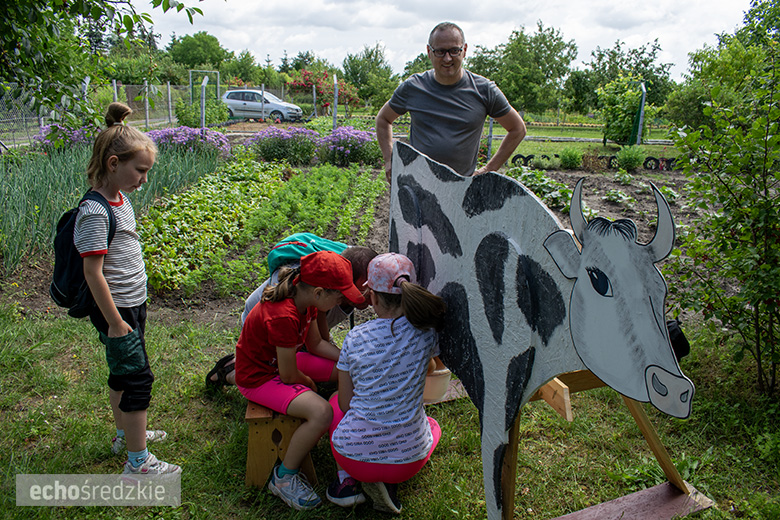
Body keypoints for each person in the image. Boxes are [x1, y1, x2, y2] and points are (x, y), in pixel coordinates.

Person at [74, 102, 180, 475]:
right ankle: (138, 463)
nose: (144, 180)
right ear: (113, 164)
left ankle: (125, 434)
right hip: (116, 310)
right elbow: (92, 273)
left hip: (131, 304)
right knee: (138, 379)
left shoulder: (120, 200)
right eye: (140, 170)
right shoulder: (95, 212)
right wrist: (116, 323)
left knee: (122, 373)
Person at [235, 250, 365, 510]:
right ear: (319, 293)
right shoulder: (284, 315)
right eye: (338, 294)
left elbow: (315, 344)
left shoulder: (306, 301)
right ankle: (284, 477)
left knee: (342, 371)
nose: (341, 300)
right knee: (322, 412)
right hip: (259, 378)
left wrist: (349, 360)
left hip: (280, 362)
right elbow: (288, 375)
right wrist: (310, 385)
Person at [326, 253, 446, 514]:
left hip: (353, 456)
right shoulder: (426, 333)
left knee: (335, 402)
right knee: (432, 425)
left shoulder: (355, 338)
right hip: (409, 461)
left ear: (373, 297)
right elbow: (432, 367)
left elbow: (347, 404)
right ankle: (389, 483)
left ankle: (346, 483)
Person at [206, 233, 377, 389]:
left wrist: (349, 360)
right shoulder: (294, 307)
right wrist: (311, 383)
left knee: (324, 366)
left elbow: (318, 342)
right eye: (366, 291)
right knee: (273, 372)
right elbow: (292, 370)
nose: (370, 299)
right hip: (268, 342)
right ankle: (233, 371)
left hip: (292, 334)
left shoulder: (317, 297)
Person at [375, 21, 527, 181]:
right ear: (429, 51)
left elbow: (517, 128)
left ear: (464, 50)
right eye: (440, 51)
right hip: (418, 186)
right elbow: (384, 119)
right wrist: (389, 159)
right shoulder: (413, 87)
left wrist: (489, 169)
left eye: (454, 50)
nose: (447, 58)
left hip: (461, 190)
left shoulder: (484, 90)